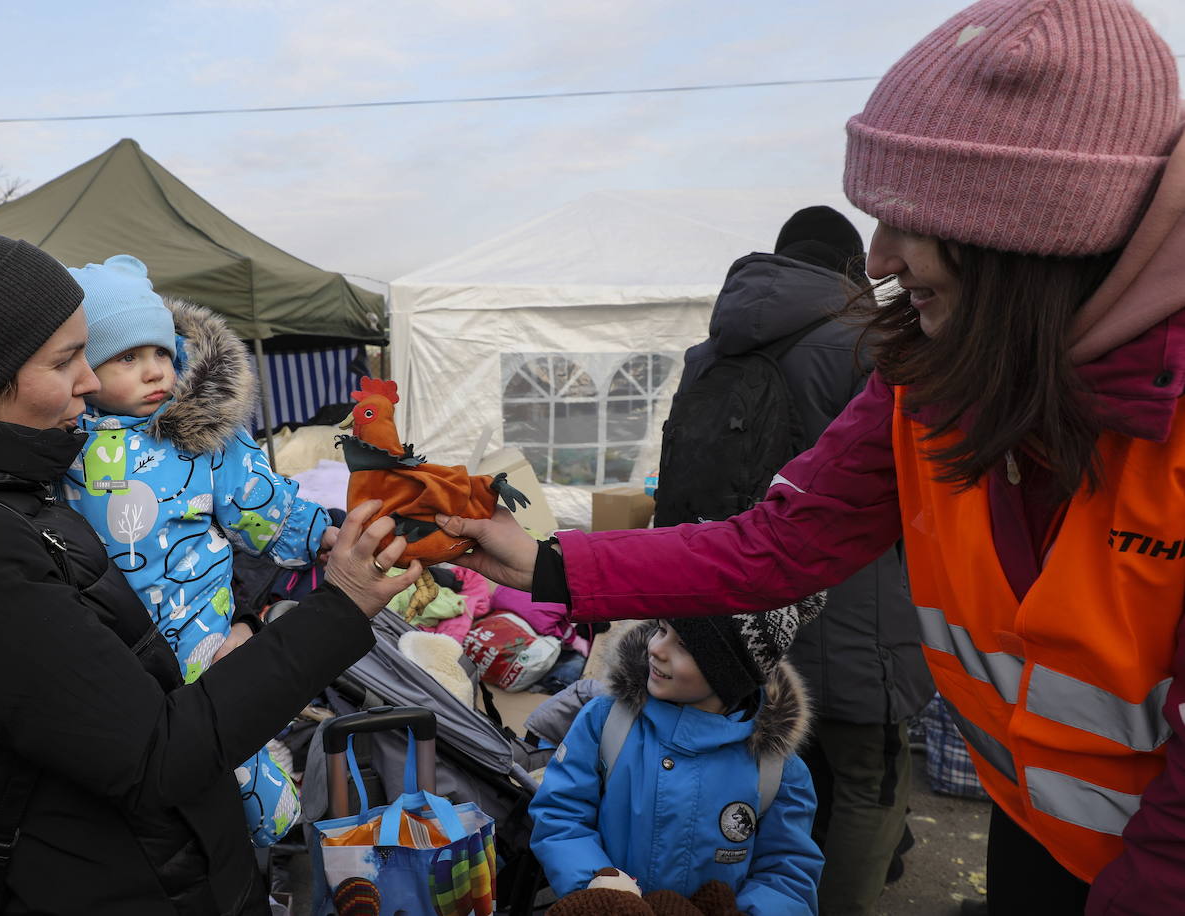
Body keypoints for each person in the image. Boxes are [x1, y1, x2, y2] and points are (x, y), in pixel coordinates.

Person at [438, 2, 1185, 913]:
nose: (878, 255)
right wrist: (545, 559)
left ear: (1034, 232)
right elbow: (778, 544)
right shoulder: (934, 378)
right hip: (1036, 831)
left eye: (911, 218)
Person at [0, 227, 421, 914]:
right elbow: (156, 758)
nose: (93, 381)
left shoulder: (4, 488)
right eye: (68, 359)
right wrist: (338, 608)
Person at [680, 205, 932, 914]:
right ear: (855, 269)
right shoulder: (872, 344)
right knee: (865, 784)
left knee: (756, 775)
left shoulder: (712, 353)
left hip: (730, 609)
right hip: (857, 615)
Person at [56, 254, 325, 846]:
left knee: (226, 741)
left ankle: (274, 839)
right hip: (108, 638)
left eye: (161, 354)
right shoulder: (60, 446)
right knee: (143, 762)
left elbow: (260, 503)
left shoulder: (198, 438)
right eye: (127, 357)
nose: (155, 371)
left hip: (197, 624)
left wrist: (321, 536)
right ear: (83, 368)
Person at [529, 610, 823, 913]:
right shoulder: (607, 721)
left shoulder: (776, 768)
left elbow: (787, 871)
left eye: (683, 644)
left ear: (731, 672)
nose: (656, 648)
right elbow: (560, 814)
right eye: (661, 629)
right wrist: (597, 883)